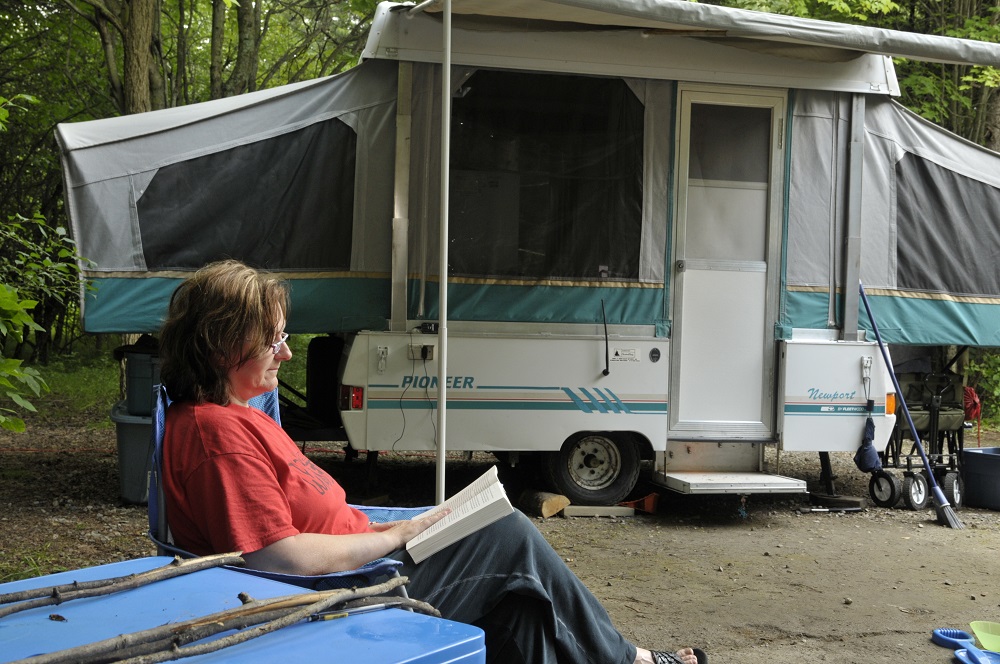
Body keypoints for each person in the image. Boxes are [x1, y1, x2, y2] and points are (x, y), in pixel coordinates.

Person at [158, 259, 706, 664]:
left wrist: (397, 525)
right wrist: (397, 535)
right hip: (337, 597)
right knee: (509, 535)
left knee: (520, 608)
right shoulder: (215, 437)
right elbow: (280, 558)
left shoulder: (238, 412)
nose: (288, 352)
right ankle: (629, 660)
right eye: (274, 339)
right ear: (224, 345)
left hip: (356, 564)